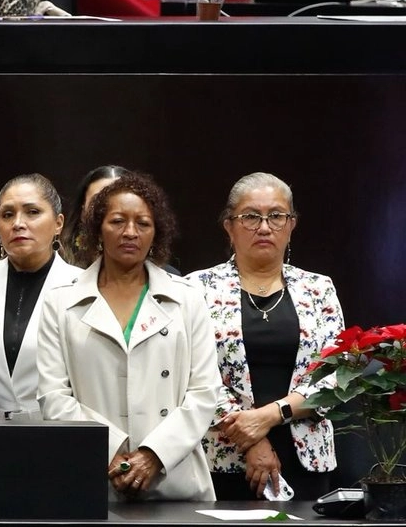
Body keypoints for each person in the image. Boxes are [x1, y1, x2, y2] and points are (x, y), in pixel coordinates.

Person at [36, 172, 220, 501]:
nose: (130, 232)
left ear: (157, 232)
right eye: (118, 221)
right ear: (97, 228)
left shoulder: (187, 298)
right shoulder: (60, 302)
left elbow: (204, 392)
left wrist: (153, 455)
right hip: (93, 475)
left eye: (143, 224)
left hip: (173, 479)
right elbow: (54, 395)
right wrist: (112, 453)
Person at [186, 172, 344, 501]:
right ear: (229, 226)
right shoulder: (196, 288)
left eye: (276, 216)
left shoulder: (319, 289)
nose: (264, 226)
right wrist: (251, 438)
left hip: (307, 458)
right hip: (226, 457)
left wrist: (269, 416)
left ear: (292, 224)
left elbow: (336, 376)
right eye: (250, 217)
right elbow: (191, 375)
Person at [0, 173, 80, 421]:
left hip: (54, 431)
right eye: (7, 214)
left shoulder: (82, 286)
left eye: (32, 212)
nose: (18, 223)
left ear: (58, 223)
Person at [61, 165, 127, 269]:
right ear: (83, 210)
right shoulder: (61, 260)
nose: (111, 210)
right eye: (98, 200)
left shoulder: (159, 272)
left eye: (121, 200)